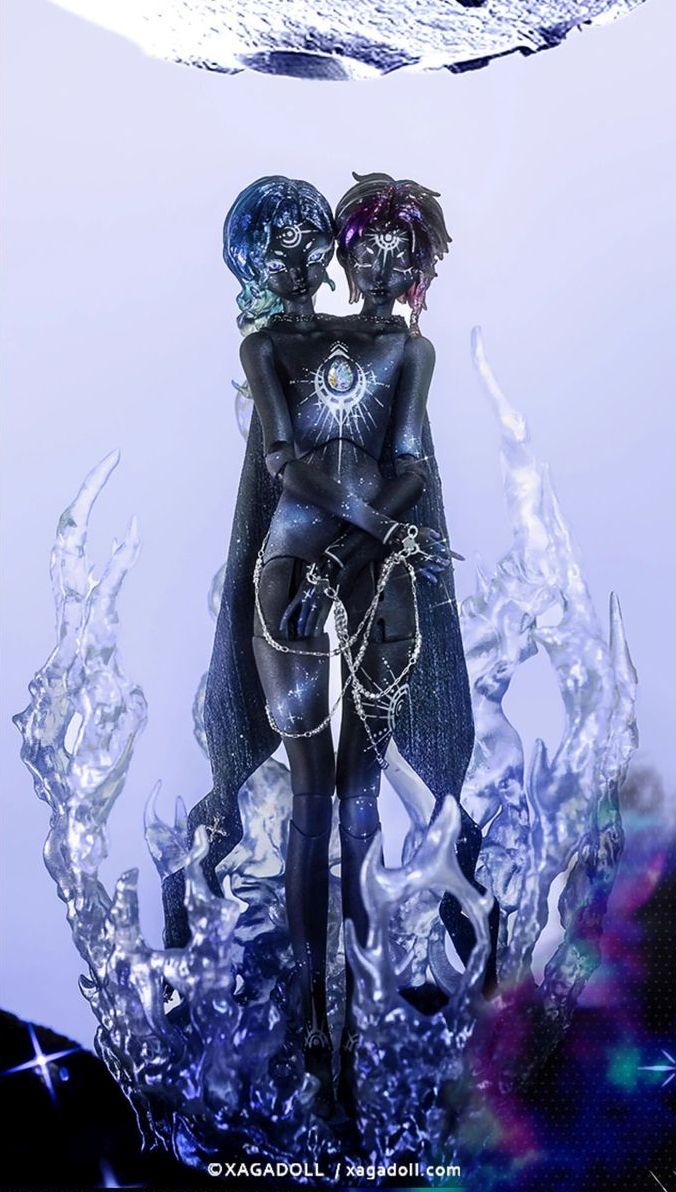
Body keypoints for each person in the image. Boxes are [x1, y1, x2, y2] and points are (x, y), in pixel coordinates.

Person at [162, 173, 494, 1119]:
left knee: (357, 799)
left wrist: (347, 553)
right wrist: (362, 538)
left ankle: (365, 1020)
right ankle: (313, 1026)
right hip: (301, 574)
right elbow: (284, 463)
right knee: (315, 796)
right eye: (358, 247)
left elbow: (409, 466)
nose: (356, 263)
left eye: (395, 252)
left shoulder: (407, 350)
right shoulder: (269, 346)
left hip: (364, 575)